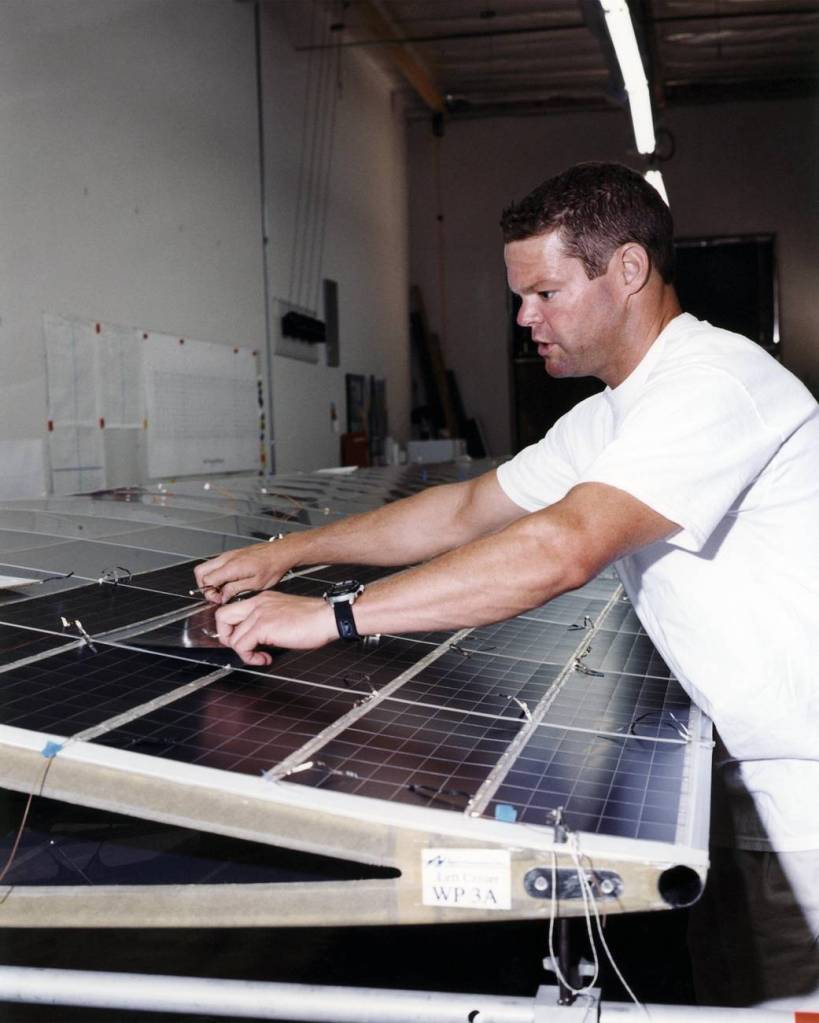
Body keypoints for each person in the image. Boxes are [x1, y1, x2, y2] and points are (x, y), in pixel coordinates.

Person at [195, 162, 819, 1007]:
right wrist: (292, 551)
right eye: (518, 296)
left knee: (781, 995)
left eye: (545, 293)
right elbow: (464, 511)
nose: (525, 317)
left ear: (628, 269)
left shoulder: (711, 383)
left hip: (802, 788)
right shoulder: (609, 415)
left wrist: (333, 616)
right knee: (729, 985)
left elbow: (560, 548)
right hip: (750, 772)